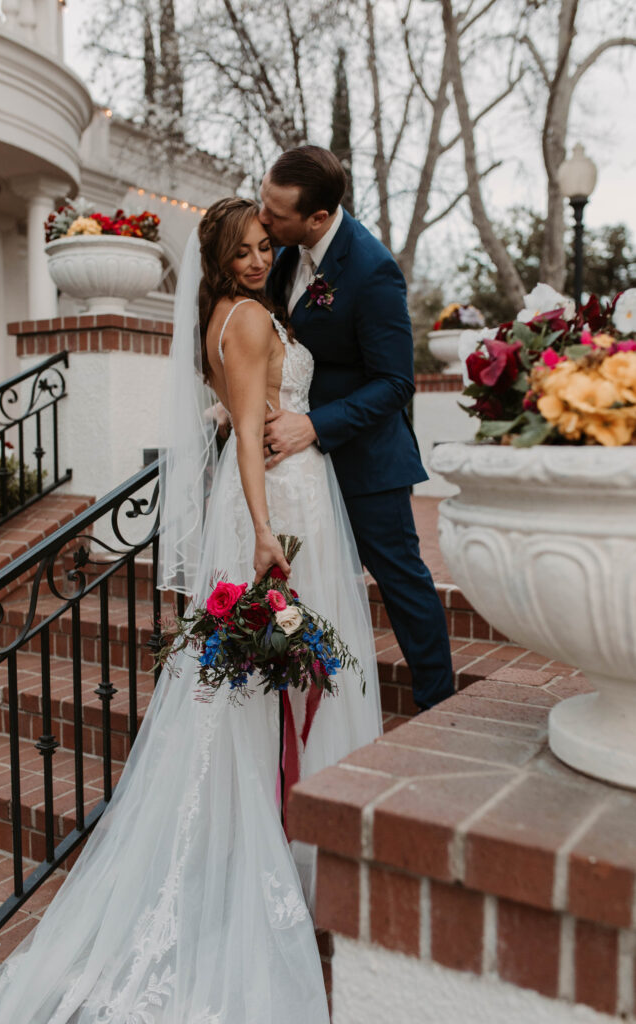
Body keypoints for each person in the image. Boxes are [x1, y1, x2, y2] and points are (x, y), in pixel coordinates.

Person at [0, 198, 382, 1023]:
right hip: (275, 508)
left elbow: (239, 417)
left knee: (272, 680)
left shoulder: (239, 316)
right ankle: (257, 851)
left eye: (265, 245)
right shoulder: (247, 322)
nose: (259, 257)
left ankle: (285, 836)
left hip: (276, 493)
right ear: (219, 259)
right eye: (244, 249)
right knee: (259, 685)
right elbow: (245, 424)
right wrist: (267, 533)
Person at [261, 145, 453, 710]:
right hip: (300, 469)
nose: (263, 217)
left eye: (276, 212)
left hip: (368, 462)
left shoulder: (373, 270)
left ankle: (438, 706)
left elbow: (396, 383)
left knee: (403, 583)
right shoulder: (285, 255)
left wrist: (313, 425)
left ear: (317, 217)